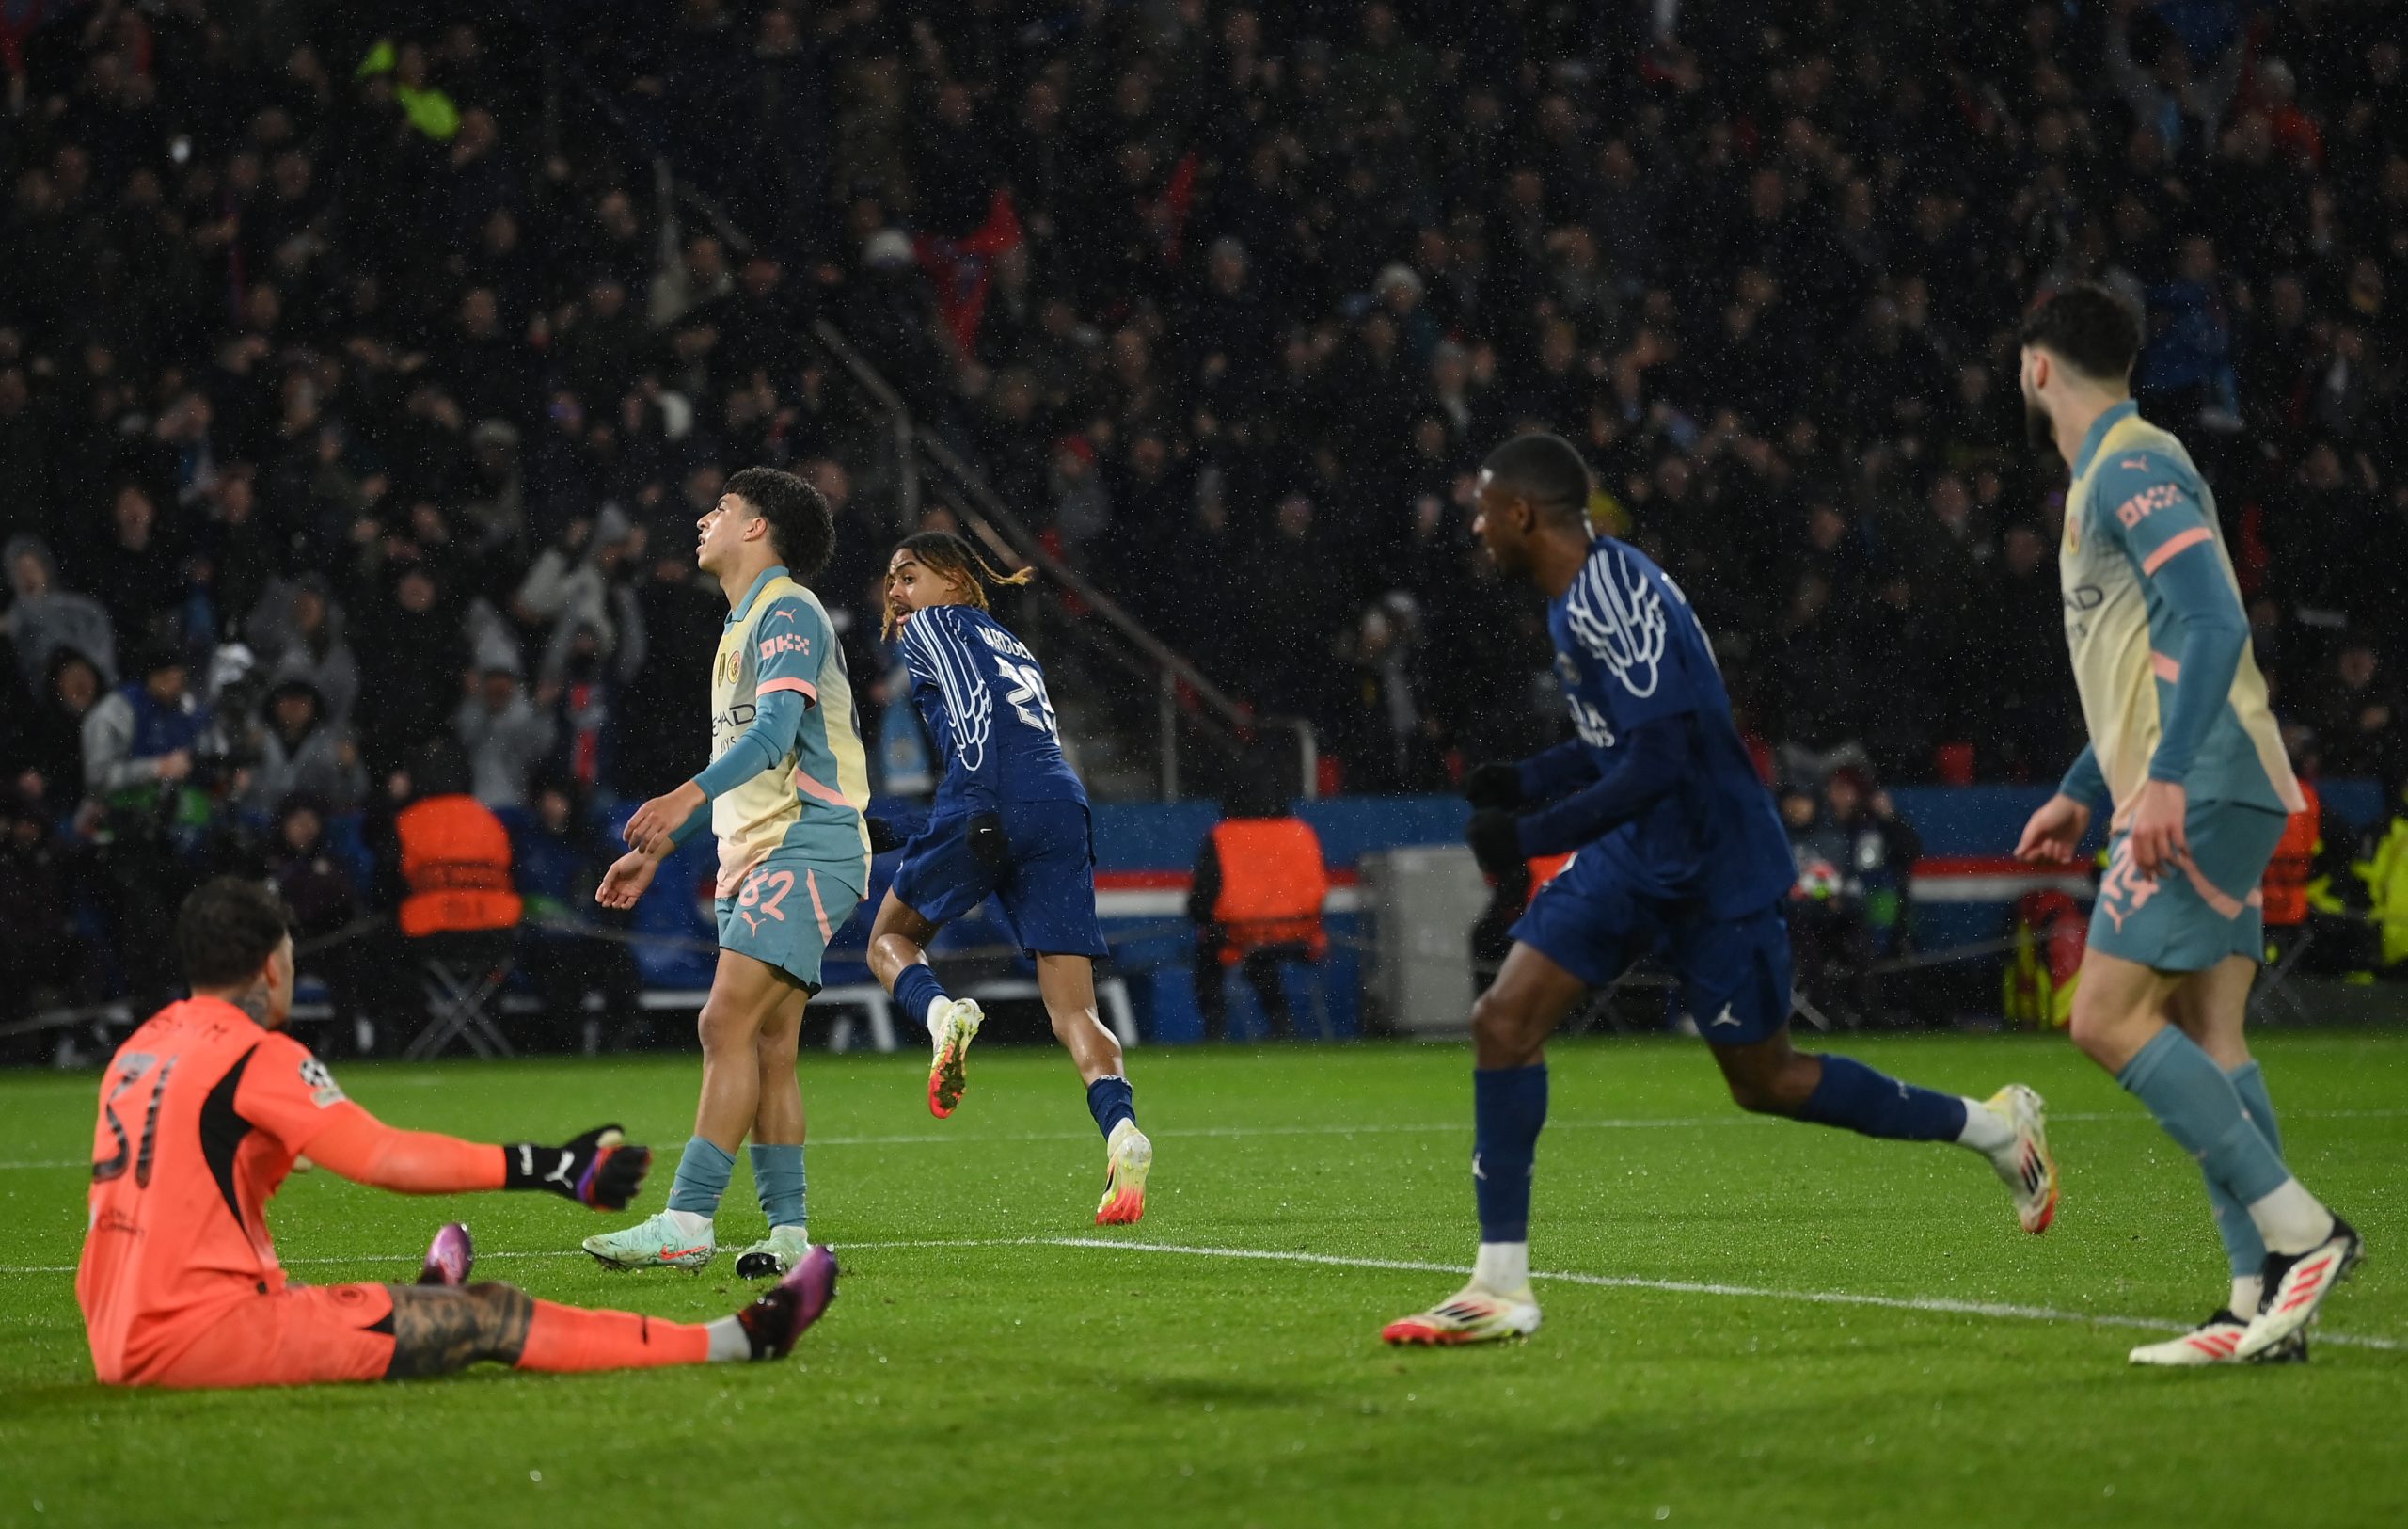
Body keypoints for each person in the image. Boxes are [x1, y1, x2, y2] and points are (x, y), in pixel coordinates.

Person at [1382, 434, 2056, 1347]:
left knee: (1766, 1078)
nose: (1472, 524)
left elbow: (1659, 760)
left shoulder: (1612, 596)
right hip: (1635, 853)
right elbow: (1623, 739)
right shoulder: (1579, 590)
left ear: (1521, 515)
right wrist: (1527, 779)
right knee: (1503, 1020)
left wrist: (1531, 837)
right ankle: (1499, 1282)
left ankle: (1993, 1128)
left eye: (1481, 508)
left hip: (1711, 864)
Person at [75, 877, 835, 1389]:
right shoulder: (255, 1054)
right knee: (493, 1313)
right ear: (272, 965)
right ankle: (741, 1337)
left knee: (325, 1300)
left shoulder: (144, 1048)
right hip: (194, 1336)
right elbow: (385, 1157)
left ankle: (418, 1301)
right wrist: (551, 1166)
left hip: (123, 1321)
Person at [2011, 283, 2359, 1366]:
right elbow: (2146, 653)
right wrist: (2085, 780)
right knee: (2211, 1029)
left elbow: (2212, 616)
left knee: (2104, 1016)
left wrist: (2156, 780)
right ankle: (2257, 1304)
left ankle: (2304, 1230)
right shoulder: (2117, 464)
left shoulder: (2127, 462)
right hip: (2208, 774)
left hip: (2200, 780)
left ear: (2034, 367)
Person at [590, 468, 873, 1277]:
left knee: (722, 1024)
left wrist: (677, 800)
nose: (705, 518)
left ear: (758, 529)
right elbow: (741, 763)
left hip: (808, 842)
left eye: (722, 508)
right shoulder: (742, 625)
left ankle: (686, 1219)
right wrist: (658, 851)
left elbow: (776, 733)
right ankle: (788, 1234)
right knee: (770, 1045)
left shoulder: (786, 610)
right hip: (761, 851)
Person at [866, 531, 1153, 1224]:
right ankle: (1123, 1132)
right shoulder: (1014, 645)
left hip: (988, 793)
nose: (898, 593)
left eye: (911, 575)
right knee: (1074, 1011)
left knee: (888, 941)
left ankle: (944, 1016)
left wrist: (981, 801)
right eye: (891, 582)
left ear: (957, 581)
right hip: (1061, 800)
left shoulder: (931, 628)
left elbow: (971, 714)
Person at [1187, 769, 1330, 1042]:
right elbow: (1317, 887)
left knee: (1215, 956)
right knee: (1263, 956)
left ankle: (1215, 1028)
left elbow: (1203, 897)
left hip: (1240, 933)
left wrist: (1202, 918)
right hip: (1299, 935)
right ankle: (1281, 1023)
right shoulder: (1301, 832)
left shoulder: (1223, 835)